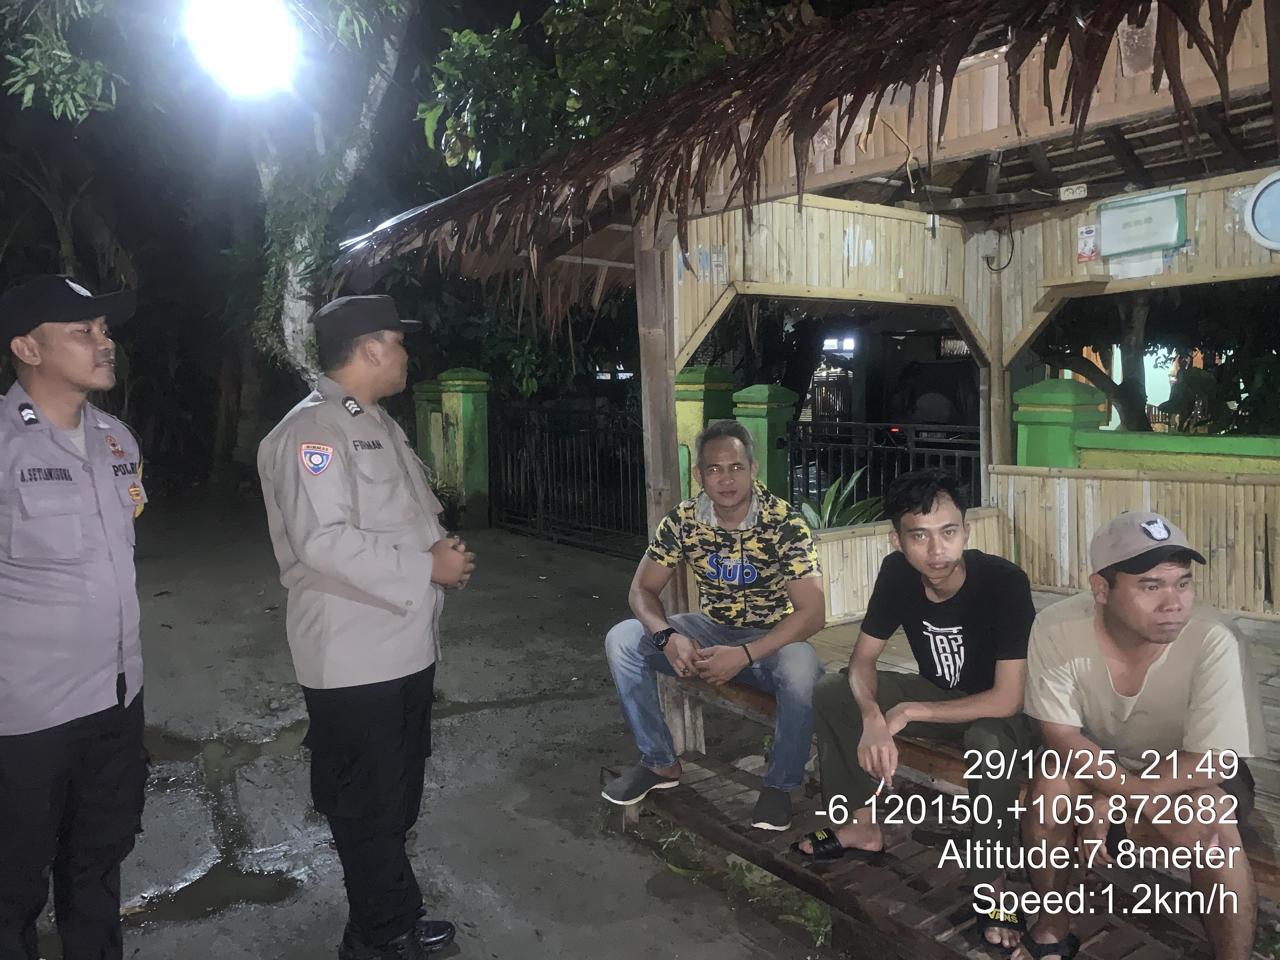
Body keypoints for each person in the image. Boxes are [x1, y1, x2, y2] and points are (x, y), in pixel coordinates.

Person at [257, 295, 475, 960]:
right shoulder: (313, 432)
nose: (406, 355)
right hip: (353, 654)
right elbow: (322, 541)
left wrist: (433, 556)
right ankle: (382, 935)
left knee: (396, 797)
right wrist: (427, 566)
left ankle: (384, 921)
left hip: (402, 645)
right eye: (399, 343)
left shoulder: (375, 423)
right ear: (372, 348)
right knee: (367, 803)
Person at [794, 467, 1037, 951]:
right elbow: (862, 661)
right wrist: (871, 715)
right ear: (898, 539)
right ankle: (860, 825)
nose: (936, 550)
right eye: (919, 536)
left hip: (1007, 713)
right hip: (938, 694)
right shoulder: (897, 574)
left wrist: (906, 712)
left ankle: (992, 884)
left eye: (948, 532)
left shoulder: (1003, 583)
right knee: (832, 690)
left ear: (966, 531)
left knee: (987, 741)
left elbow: (1008, 697)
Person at [1015, 512, 1266, 960]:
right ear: (1101, 589)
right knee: (1049, 792)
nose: (1173, 603)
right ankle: (1051, 927)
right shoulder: (1056, 627)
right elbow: (1060, 735)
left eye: (1182, 583)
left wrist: (1115, 799)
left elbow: (1214, 761)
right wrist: (1126, 794)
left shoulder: (1215, 639)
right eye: (1151, 587)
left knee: (1212, 829)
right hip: (1098, 759)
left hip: (1187, 770)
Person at [0, 275, 148, 960]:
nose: (104, 341)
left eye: (105, 329)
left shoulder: (119, 441)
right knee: (12, 886)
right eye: (82, 331)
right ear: (27, 348)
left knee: (98, 867)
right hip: (27, 716)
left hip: (117, 700)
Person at [601, 419, 826, 831]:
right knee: (622, 639)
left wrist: (743, 655)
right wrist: (668, 637)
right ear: (699, 474)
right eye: (715, 469)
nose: (726, 479)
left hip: (771, 642)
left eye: (736, 467)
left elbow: (812, 613)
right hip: (711, 631)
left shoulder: (784, 523)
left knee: (802, 667)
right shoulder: (684, 520)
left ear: (752, 468)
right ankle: (660, 762)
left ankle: (779, 785)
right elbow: (641, 591)